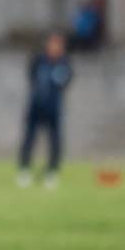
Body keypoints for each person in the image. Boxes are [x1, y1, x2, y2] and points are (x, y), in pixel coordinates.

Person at [17, 32, 73, 189]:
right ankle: (24, 169)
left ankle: (52, 171)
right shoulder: (39, 60)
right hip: (36, 105)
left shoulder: (64, 63)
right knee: (29, 137)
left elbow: (66, 82)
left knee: (54, 139)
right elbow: (32, 78)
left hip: (53, 107)